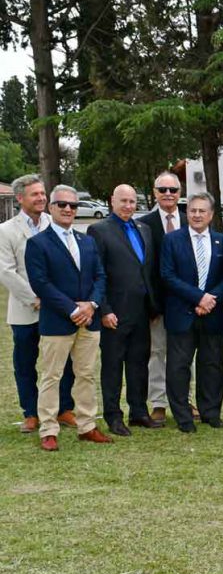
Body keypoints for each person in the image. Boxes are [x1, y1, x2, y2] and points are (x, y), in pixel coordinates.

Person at [24, 185, 111, 449]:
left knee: (85, 374)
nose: (67, 209)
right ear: (51, 207)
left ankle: (87, 425)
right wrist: (73, 309)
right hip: (58, 321)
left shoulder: (87, 240)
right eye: (61, 204)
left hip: (89, 320)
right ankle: (49, 429)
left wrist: (92, 305)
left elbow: (100, 276)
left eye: (72, 205)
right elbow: (41, 283)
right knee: (51, 375)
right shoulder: (38, 243)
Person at [0, 174, 75, 433]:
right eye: (35, 194)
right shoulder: (6, 231)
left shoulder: (55, 225)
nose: (42, 198)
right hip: (25, 310)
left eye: (43, 193)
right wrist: (35, 299)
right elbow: (6, 271)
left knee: (62, 361)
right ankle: (31, 413)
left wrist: (55, 299)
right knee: (25, 362)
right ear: (20, 198)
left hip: (57, 308)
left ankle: (64, 409)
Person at [88, 184, 161, 435]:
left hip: (142, 311)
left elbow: (147, 270)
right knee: (113, 365)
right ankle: (113, 415)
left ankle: (138, 412)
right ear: (112, 201)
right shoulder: (99, 230)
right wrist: (104, 309)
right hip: (114, 313)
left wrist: (153, 306)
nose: (129, 206)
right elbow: (96, 273)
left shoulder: (144, 229)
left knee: (139, 363)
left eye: (132, 201)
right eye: (124, 201)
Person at [161, 192, 223, 432]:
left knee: (212, 366)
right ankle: (183, 417)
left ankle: (211, 412)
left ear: (211, 215)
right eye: (193, 211)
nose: (197, 215)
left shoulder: (222, 240)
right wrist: (198, 297)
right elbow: (168, 276)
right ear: (187, 213)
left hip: (213, 313)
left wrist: (211, 299)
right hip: (182, 313)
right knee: (179, 367)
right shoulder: (172, 240)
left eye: (202, 211)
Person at [139, 171, 187, 425]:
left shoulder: (192, 220)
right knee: (157, 353)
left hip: (185, 303)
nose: (168, 194)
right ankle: (158, 402)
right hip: (157, 304)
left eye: (173, 190)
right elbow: (144, 267)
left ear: (180, 192)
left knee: (184, 354)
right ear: (154, 192)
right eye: (163, 189)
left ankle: (184, 398)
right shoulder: (143, 224)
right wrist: (151, 304)